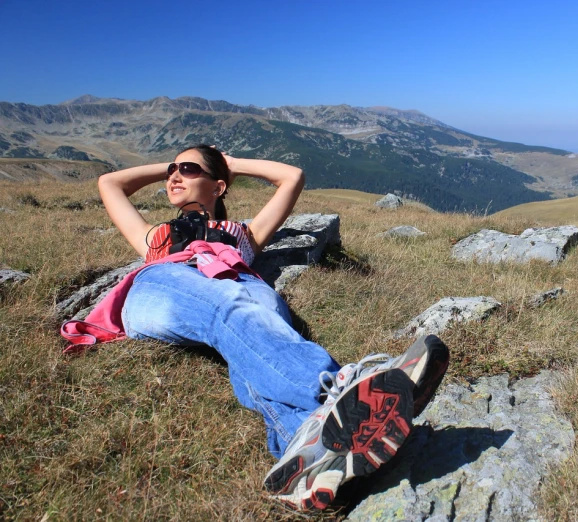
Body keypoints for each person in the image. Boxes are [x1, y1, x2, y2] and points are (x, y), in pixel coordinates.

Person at [72, 144, 449, 510]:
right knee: (231, 306)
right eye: (172, 171)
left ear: (219, 186)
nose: (174, 177)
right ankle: (336, 389)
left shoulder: (243, 234)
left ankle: (306, 458)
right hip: (167, 283)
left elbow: (292, 177)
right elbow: (110, 183)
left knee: (252, 349)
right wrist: (175, 166)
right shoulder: (156, 237)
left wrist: (228, 162)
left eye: (187, 171)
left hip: (240, 285)